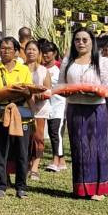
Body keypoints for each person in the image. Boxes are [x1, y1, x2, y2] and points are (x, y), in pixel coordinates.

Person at [60, 25, 108, 200]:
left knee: (96, 147)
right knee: (79, 147)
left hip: (96, 108)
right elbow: (60, 85)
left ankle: (98, 189)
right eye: (77, 40)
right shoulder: (68, 61)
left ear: (92, 42)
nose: (80, 43)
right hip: (75, 107)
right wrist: (68, 91)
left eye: (85, 40)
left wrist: (94, 91)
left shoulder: (102, 61)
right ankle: (80, 188)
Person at [0, 36, 37, 198]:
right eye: (2, 48)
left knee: (21, 151)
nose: (5, 51)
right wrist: (1, 93)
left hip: (20, 114)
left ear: (16, 51)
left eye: (9, 48)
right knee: (0, 151)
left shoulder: (24, 69)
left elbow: (29, 92)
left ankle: (21, 187)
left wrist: (19, 91)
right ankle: (1, 186)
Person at [36, 40, 67, 172]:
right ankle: (62, 161)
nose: (45, 55)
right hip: (44, 106)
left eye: (48, 52)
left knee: (55, 132)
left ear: (54, 53)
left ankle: (56, 160)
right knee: (47, 133)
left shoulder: (60, 68)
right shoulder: (40, 69)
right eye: (43, 52)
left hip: (59, 105)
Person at [23, 40, 48, 176]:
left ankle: (35, 167)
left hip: (39, 110)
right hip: (23, 109)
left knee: (38, 138)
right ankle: (25, 164)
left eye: (34, 49)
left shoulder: (43, 71)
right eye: (29, 49)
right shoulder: (20, 68)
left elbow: (48, 91)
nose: (31, 52)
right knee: (25, 139)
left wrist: (35, 96)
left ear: (39, 53)